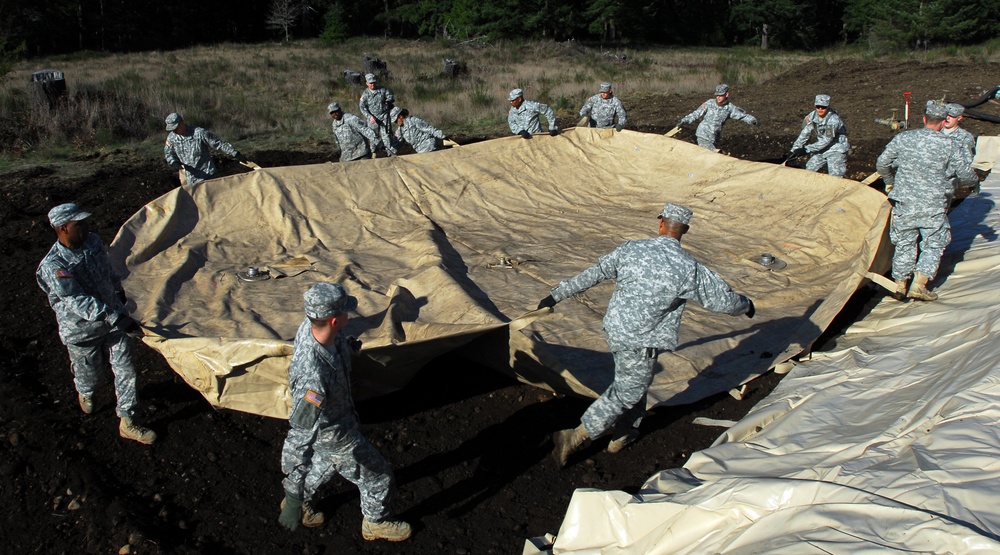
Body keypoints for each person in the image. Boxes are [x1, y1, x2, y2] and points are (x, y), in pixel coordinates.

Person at [537, 203, 755, 467]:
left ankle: (624, 432)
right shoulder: (689, 268)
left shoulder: (632, 249)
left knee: (636, 379)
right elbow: (722, 301)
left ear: (661, 223)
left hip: (615, 330)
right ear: (684, 230)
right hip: (641, 340)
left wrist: (556, 295)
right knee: (627, 392)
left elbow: (595, 272)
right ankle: (575, 436)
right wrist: (746, 305)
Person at [278, 282, 411, 541]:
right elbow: (299, 435)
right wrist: (291, 493)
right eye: (345, 313)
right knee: (378, 476)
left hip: (340, 420)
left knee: (326, 463)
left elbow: (336, 340)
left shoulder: (317, 326)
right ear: (335, 320)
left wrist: (348, 346)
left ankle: (304, 498)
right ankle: (375, 522)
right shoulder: (312, 379)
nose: (350, 316)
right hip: (335, 433)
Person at [35, 203, 157, 445]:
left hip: (113, 320)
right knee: (92, 376)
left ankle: (128, 421)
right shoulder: (54, 266)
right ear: (63, 229)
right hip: (83, 330)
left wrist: (119, 290)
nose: (86, 227)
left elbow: (107, 268)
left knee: (126, 368)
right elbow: (76, 300)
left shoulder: (92, 242)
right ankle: (86, 391)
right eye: (78, 224)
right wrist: (115, 317)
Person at [875, 101, 979, 302]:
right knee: (934, 242)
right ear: (942, 123)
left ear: (924, 119)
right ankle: (919, 285)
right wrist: (974, 186)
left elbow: (882, 163)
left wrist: (889, 182)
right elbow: (965, 173)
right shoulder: (949, 144)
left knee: (904, 242)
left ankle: (899, 284)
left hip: (904, 202)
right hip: (933, 204)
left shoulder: (903, 138)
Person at [163, 112, 248, 185]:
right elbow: (169, 153)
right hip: (190, 179)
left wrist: (235, 153)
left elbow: (218, 144)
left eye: (175, 128)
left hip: (208, 176)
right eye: (172, 129)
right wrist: (173, 162)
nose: (174, 131)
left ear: (181, 123)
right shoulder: (171, 138)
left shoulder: (199, 133)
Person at [676, 84, 758, 151]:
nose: (718, 97)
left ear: (727, 94)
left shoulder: (730, 108)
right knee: (711, 154)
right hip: (703, 134)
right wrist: (684, 120)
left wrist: (752, 120)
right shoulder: (709, 103)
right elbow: (696, 114)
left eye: (721, 95)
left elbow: (742, 115)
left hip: (714, 137)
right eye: (717, 95)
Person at [789, 94, 850, 177]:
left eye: (823, 107)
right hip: (822, 149)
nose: (820, 109)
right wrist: (794, 150)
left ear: (828, 106)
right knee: (810, 168)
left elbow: (827, 140)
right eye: (818, 107)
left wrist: (806, 149)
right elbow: (805, 133)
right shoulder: (812, 116)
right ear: (815, 106)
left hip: (836, 149)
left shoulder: (833, 120)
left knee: (835, 176)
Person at [358, 73, 397, 156]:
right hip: (373, 119)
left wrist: (389, 100)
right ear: (367, 83)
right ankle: (373, 154)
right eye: (371, 83)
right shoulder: (365, 94)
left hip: (384, 117)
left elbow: (391, 97)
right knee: (373, 137)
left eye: (374, 83)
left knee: (387, 136)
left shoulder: (383, 90)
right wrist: (369, 117)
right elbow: (362, 107)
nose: (372, 85)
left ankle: (391, 154)